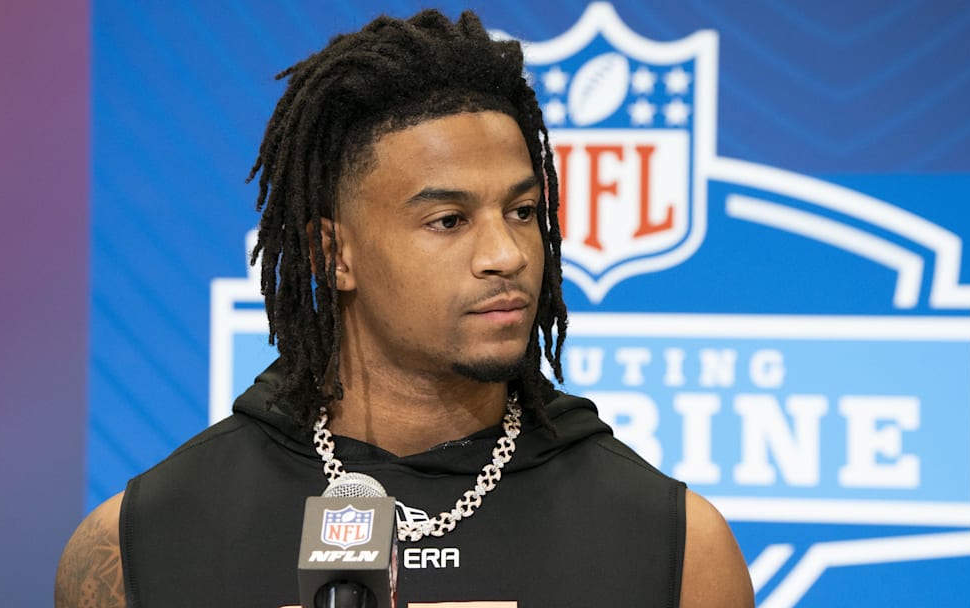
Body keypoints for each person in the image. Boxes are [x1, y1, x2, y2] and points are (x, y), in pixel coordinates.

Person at [56, 9, 754, 607]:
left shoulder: (676, 549)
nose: (506, 254)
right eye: (449, 220)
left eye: (522, 211)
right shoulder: (141, 545)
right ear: (333, 254)